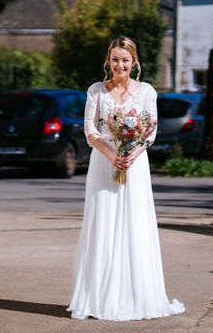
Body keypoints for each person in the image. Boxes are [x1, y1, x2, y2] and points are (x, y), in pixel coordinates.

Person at [67, 36, 185, 321]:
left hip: (135, 165)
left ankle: (136, 296)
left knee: (134, 225)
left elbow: (151, 131)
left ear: (134, 62)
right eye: (115, 59)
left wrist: (132, 154)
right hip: (103, 164)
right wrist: (111, 155)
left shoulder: (146, 91)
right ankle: (99, 298)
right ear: (108, 60)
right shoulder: (96, 90)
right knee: (103, 224)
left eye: (125, 60)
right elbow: (90, 129)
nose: (120, 65)